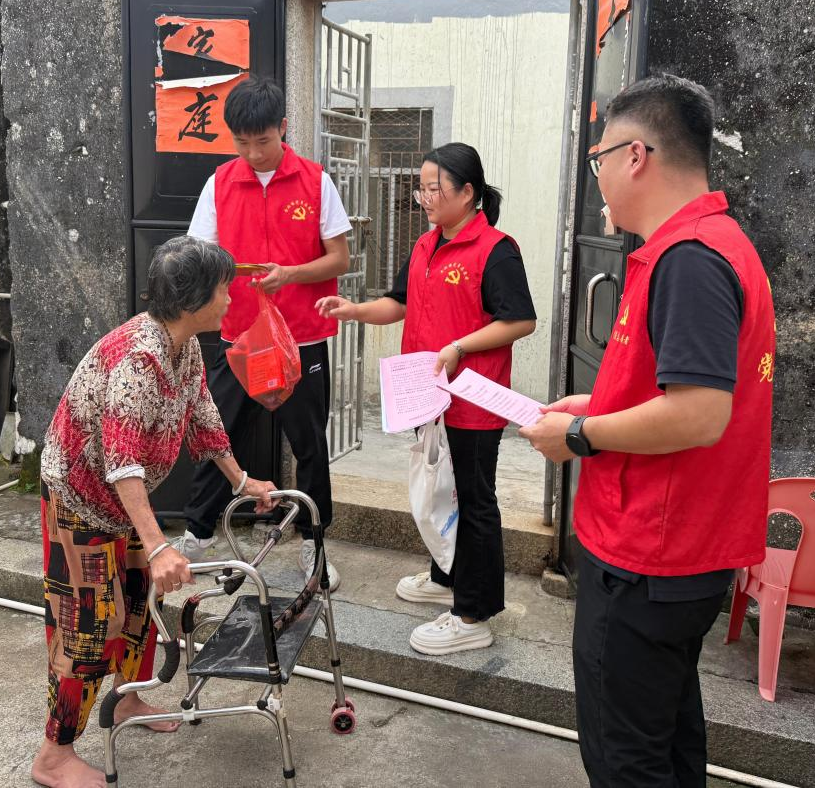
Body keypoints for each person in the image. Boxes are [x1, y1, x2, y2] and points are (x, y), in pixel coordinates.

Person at [519, 74, 775, 788]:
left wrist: (579, 436)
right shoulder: (704, 245)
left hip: (650, 554)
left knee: (624, 756)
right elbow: (673, 386)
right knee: (666, 735)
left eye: (598, 158)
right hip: (678, 548)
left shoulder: (689, 259)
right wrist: (597, 402)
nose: (597, 175)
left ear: (635, 156)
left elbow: (699, 412)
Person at [31, 236, 277, 788]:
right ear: (193, 301)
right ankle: (53, 754)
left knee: (143, 603)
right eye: (223, 289)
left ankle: (127, 700)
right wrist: (160, 543)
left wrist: (241, 481)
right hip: (81, 500)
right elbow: (122, 464)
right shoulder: (139, 362)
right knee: (89, 625)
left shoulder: (184, 345)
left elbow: (203, 414)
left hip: (123, 505)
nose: (230, 298)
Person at [316, 143, 536, 655]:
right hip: (427, 396)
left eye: (435, 188)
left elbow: (520, 320)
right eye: (422, 188)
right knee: (440, 491)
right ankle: (445, 576)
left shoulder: (496, 250)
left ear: (468, 192)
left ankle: (473, 614)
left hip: (472, 402)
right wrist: (353, 310)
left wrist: (460, 347)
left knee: (474, 501)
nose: (425, 198)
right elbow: (399, 303)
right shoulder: (425, 245)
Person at [181, 77, 350, 591]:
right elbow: (198, 254)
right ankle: (198, 534)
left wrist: (290, 274)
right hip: (240, 338)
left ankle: (313, 544)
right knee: (218, 434)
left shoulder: (316, 181)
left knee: (309, 445)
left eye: (263, 141)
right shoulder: (219, 183)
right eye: (242, 143)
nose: (254, 153)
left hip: (301, 338)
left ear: (283, 128)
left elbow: (340, 258)